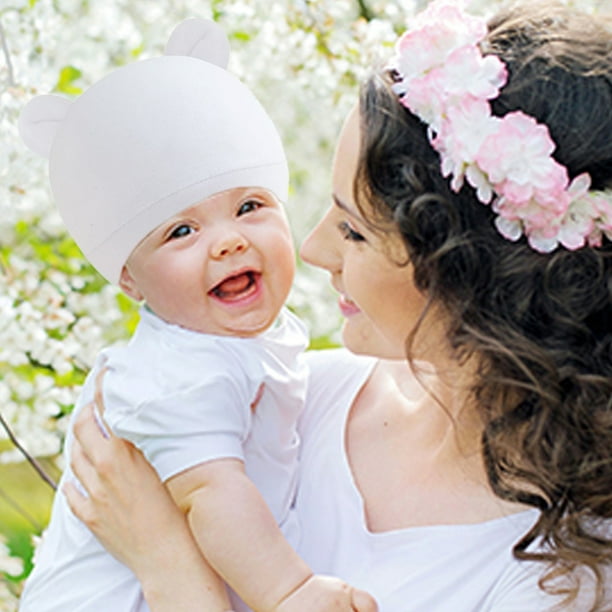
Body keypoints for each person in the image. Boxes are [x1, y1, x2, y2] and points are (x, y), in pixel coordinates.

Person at [63, 0, 612, 610]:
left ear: (471, 277)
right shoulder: (289, 399)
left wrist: (169, 565)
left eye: (354, 231)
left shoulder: (562, 574)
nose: (313, 247)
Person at [18, 17, 377, 612]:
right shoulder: (178, 372)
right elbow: (212, 493)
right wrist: (289, 592)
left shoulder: (251, 342)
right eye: (181, 231)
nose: (228, 241)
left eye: (250, 205)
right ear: (129, 280)